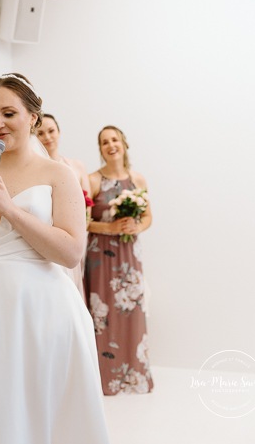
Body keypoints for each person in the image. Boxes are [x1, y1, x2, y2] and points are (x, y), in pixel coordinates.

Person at [0, 73, 110, 444]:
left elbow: (70, 252)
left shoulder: (58, 175)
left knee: (38, 409)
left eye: (9, 112)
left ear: (34, 119)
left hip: (42, 308)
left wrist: (11, 209)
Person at [85, 125, 153, 395]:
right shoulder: (92, 180)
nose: (110, 145)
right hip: (100, 256)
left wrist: (136, 226)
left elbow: (148, 217)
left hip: (129, 256)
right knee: (103, 315)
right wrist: (110, 229)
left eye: (114, 140)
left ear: (123, 144)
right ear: (100, 149)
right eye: (104, 142)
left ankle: (135, 376)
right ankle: (105, 380)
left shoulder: (138, 180)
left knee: (132, 312)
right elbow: (84, 222)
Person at [36, 113, 91, 298]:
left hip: (74, 234)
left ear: (59, 132)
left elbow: (87, 203)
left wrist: (81, 227)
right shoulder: (37, 169)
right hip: (48, 235)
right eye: (41, 133)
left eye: (51, 131)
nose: (47, 137)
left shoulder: (76, 166)